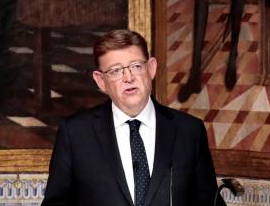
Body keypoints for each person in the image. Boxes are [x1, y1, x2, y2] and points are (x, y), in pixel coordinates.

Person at [42, 29, 219, 206]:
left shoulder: (189, 131)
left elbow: (210, 202)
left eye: (136, 66)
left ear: (151, 68)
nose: (128, 78)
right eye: (116, 71)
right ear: (101, 81)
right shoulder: (75, 134)